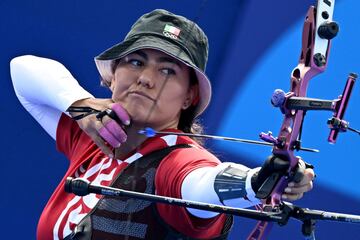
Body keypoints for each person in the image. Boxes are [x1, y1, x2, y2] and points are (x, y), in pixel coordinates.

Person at [10, 9, 314, 240]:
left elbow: (200, 183)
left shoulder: (177, 160)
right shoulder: (95, 134)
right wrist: (80, 106)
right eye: (136, 62)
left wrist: (257, 181)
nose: (146, 78)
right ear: (113, 75)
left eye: (168, 71)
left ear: (189, 97)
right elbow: (22, 70)